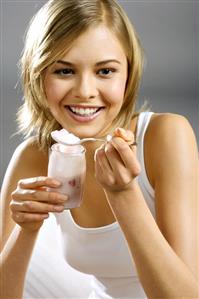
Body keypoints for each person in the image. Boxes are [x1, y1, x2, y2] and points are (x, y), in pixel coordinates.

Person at [0, 0, 198, 298]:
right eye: (64, 71)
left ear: (128, 75)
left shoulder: (165, 135)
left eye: (105, 71)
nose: (84, 91)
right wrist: (25, 232)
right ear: (37, 75)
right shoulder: (34, 157)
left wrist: (124, 195)